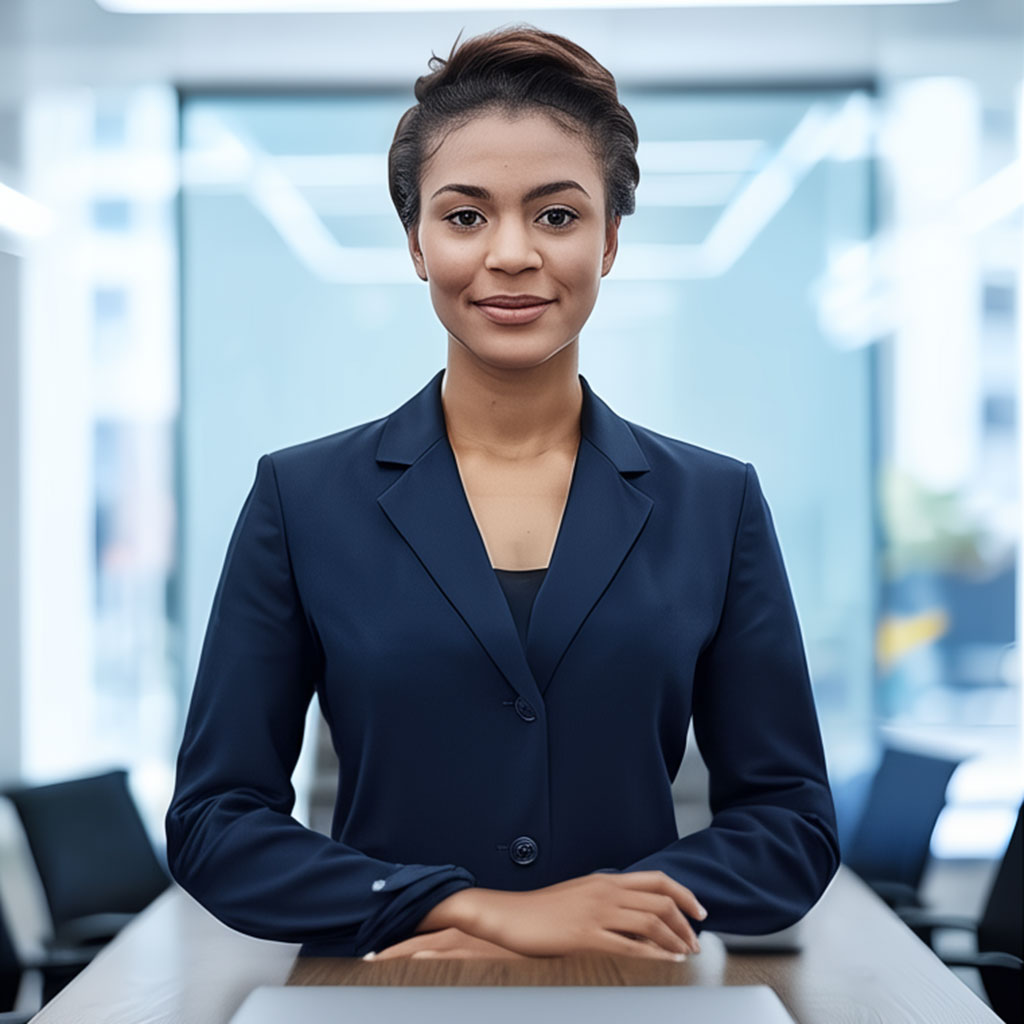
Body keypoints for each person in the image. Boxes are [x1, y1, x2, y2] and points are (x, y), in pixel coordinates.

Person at [165, 25, 839, 962]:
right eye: (466, 215)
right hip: (391, 994)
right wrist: (467, 910)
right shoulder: (301, 499)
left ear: (609, 242)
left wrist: (604, 913)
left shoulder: (713, 504)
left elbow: (790, 824)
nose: (513, 253)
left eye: (557, 216)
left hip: (629, 1001)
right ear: (415, 243)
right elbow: (216, 821)